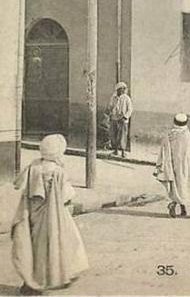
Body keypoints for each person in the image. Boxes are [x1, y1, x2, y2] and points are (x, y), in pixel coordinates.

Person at [12, 135, 89, 295]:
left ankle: (29, 282)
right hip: (53, 216)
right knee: (54, 246)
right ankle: (49, 279)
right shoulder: (59, 171)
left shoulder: (33, 167)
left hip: (32, 213)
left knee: (30, 247)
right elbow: (67, 196)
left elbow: (18, 184)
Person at [107, 81, 133, 158]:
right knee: (114, 135)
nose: (121, 91)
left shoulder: (127, 98)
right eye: (119, 89)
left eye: (122, 89)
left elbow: (130, 109)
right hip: (114, 119)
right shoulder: (114, 98)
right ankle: (115, 150)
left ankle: (123, 152)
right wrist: (110, 114)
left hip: (123, 120)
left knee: (122, 136)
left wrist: (125, 117)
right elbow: (110, 106)